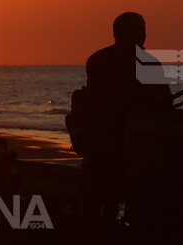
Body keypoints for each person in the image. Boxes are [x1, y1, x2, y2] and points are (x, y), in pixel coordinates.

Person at [69, 12, 172, 218]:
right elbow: (107, 94)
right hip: (106, 131)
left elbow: (162, 95)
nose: (139, 35)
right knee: (103, 180)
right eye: (133, 30)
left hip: (139, 131)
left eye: (142, 30)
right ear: (117, 34)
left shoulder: (150, 63)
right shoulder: (100, 60)